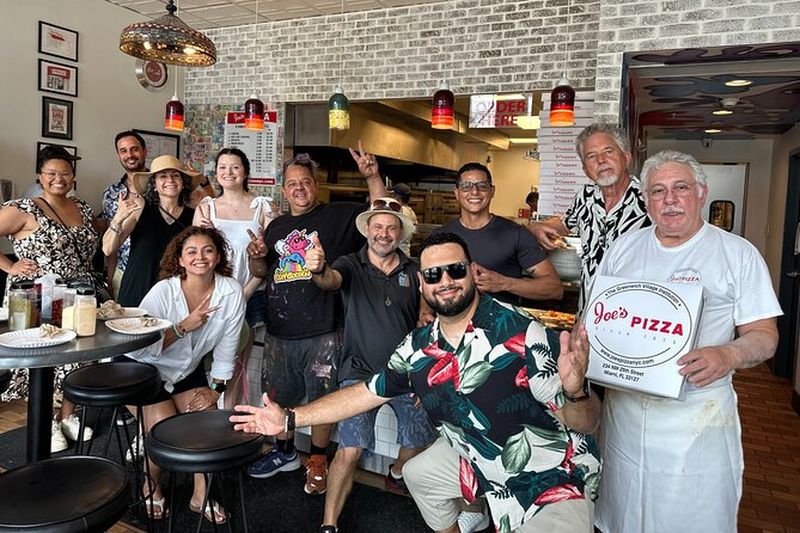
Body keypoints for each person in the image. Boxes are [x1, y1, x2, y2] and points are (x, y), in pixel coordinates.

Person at [233, 232, 602, 533]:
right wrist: (289, 419)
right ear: (421, 284)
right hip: (477, 455)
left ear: (472, 272)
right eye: (433, 275)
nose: (446, 282)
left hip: (549, 476)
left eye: (455, 270)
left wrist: (575, 391)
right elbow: (365, 393)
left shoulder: (522, 333)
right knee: (418, 473)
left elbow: (586, 423)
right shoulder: (418, 348)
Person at [593, 150, 781, 533]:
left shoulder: (737, 254)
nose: (670, 199)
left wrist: (728, 353)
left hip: (697, 417)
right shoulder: (624, 248)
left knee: (692, 518)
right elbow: (597, 320)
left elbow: (764, 336)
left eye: (681, 188)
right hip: (624, 415)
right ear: (646, 201)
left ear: (701, 193)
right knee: (623, 514)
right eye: (658, 191)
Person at [245, 145, 387, 495]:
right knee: (278, 394)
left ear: (316, 185)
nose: (299, 188)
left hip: (324, 328)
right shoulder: (276, 227)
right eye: (292, 183)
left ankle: (318, 459)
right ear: (284, 190)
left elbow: (380, 213)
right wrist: (256, 257)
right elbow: (262, 272)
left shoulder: (338, 216)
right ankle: (284, 452)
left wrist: (372, 176)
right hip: (279, 329)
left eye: (305, 181)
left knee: (321, 397)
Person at [304, 197, 436, 533]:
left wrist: (423, 366)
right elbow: (331, 280)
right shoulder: (351, 264)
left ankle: (396, 471)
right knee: (349, 451)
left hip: (405, 374)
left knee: (418, 440)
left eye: (391, 228)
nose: (383, 233)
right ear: (367, 231)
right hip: (359, 373)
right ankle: (329, 523)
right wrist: (318, 269)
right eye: (378, 226)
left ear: (400, 234)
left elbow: (425, 316)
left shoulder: (414, 270)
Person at [120, 226, 245, 523]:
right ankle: (151, 485)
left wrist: (216, 389)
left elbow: (227, 348)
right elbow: (139, 346)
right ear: (180, 260)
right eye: (191, 251)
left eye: (208, 250)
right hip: (143, 371)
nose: (200, 257)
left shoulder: (231, 292)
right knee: (163, 427)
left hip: (186, 372)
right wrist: (183, 327)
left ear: (218, 257)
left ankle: (201, 494)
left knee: (205, 421)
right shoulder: (163, 292)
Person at [0, 145, 98, 451]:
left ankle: (67, 415)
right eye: (51, 173)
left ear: (73, 176)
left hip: (77, 294)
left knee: (77, 357)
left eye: (65, 173)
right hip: (36, 296)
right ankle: (46, 421)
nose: (59, 179)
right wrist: (10, 266)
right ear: (39, 176)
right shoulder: (22, 209)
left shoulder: (81, 207)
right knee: (41, 359)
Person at [528, 123, 650, 308]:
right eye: (591, 156)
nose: (601, 160)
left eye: (608, 152)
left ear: (626, 158)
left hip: (633, 313)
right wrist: (535, 228)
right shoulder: (586, 197)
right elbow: (563, 223)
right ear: (585, 169)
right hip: (589, 310)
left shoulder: (651, 200)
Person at [193, 148, 275, 409]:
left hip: (250, 294)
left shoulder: (262, 207)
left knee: (237, 363)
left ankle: (228, 418)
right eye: (222, 167)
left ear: (246, 172)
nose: (228, 172)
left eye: (235, 167)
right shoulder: (206, 208)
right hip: (211, 297)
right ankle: (203, 413)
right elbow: (194, 256)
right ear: (216, 173)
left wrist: (244, 293)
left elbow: (271, 257)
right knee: (204, 360)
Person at [434, 162, 562, 306]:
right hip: (451, 319)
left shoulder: (516, 234)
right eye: (466, 186)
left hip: (502, 319)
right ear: (456, 193)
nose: (474, 192)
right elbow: (428, 284)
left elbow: (554, 289)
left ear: (492, 191)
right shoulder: (440, 236)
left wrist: (504, 283)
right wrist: (425, 312)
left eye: (482, 186)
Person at [103, 155, 200, 308]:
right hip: (137, 289)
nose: (170, 180)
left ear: (183, 183)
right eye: (163, 176)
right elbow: (108, 249)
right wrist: (118, 218)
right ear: (154, 184)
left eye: (175, 175)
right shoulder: (141, 207)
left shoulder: (193, 216)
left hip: (174, 295)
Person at [97, 131, 148, 298]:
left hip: (155, 270)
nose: (130, 155)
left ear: (144, 151)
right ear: (118, 155)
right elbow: (111, 241)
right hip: (123, 271)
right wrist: (111, 279)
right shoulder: (111, 194)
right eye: (123, 151)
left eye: (134, 149)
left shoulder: (162, 186)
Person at [389, 183, 417, 256]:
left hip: (399, 250)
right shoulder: (411, 211)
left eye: (393, 196)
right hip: (404, 249)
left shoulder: (401, 211)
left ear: (397, 197)